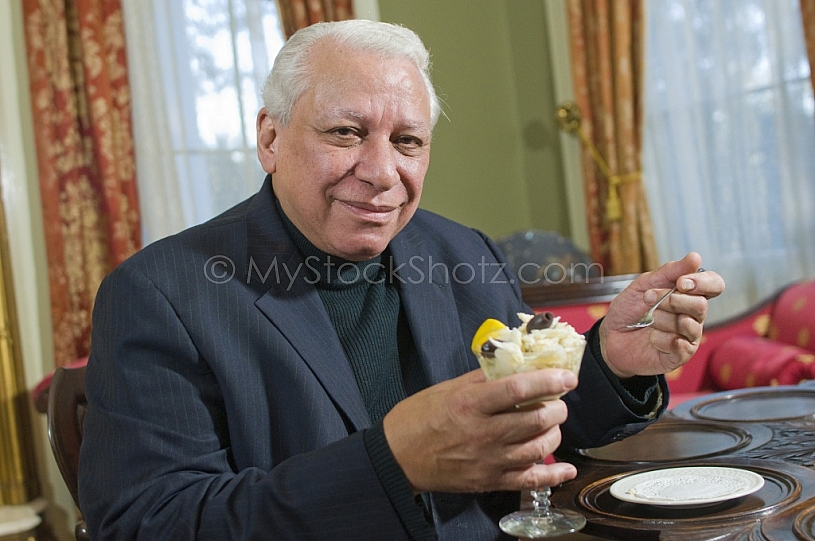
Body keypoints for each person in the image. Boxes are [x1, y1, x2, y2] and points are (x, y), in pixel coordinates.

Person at [78, 19, 725, 541]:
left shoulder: (459, 250)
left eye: (408, 141)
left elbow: (527, 429)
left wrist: (613, 360)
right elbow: (148, 521)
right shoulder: (159, 293)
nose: (382, 170)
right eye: (346, 132)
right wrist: (391, 463)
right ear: (270, 137)